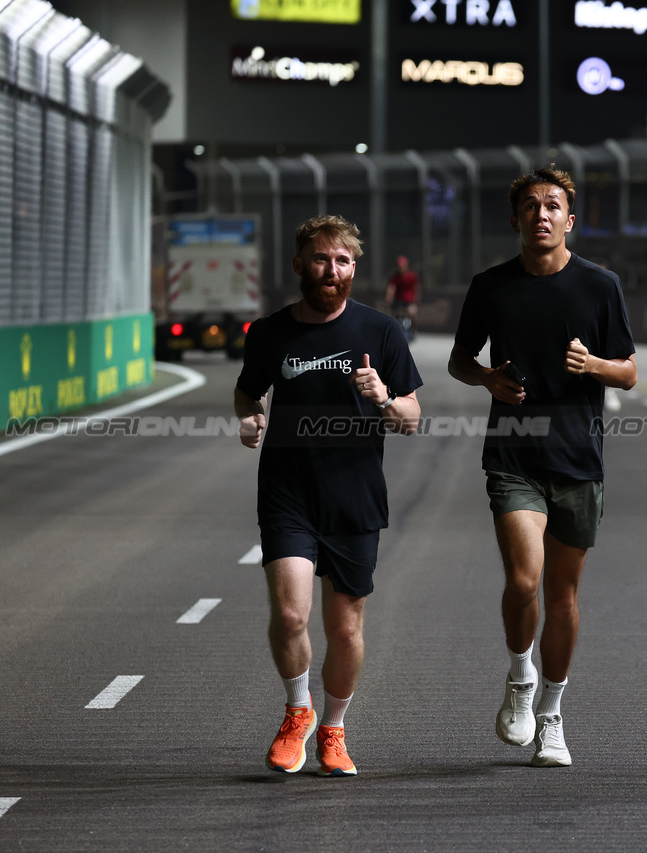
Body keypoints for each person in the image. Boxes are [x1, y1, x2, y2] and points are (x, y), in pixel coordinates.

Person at [448, 166, 637, 767]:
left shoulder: (600, 286)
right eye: (530, 206)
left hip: (578, 459)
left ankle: (553, 714)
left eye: (552, 205)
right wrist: (487, 380)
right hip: (513, 453)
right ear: (515, 221)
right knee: (524, 580)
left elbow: (629, 370)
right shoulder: (491, 286)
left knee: (562, 595)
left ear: (569, 219)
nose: (541, 215)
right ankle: (520, 678)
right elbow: (458, 361)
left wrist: (596, 367)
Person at [234, 215, 423, 777]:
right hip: (288, 492)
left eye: (342, 261)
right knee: (291, 613)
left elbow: (412, 420)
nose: (330, 270)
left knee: (345, 629)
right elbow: (248, 393)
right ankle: (298, 712)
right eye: (320, 259)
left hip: (354, 497)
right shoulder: (269, 333)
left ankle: (334, 729)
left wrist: (386, 396)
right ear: (299, 265)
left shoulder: (382, 332)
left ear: (353, 268)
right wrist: (250, 418)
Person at [385, 255, 420, 340]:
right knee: (394, 316)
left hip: (410, 301)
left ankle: (413, 330)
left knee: (412, 313)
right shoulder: (395, 278)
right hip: (399, 301)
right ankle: (395, 332)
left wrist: (416, 301)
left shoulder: (412, 276)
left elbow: (417, 288)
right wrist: (389, 297)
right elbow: (391, 288)